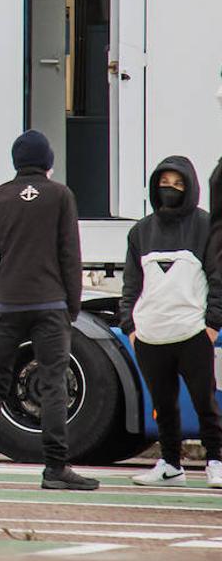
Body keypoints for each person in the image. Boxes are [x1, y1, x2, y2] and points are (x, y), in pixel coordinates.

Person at [0, 130, 98, 492]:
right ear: (48, 162)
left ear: (16, 162)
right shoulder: (60, 195)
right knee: (54, 383)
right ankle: (55, 468)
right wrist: (72, 304)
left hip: (7, 303)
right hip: (50, 302)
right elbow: (70, 254)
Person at [120, 157, 222, 488]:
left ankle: (215, 461)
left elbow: (218, 278)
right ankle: (170, 464)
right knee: (163, 405)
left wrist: (212, 324)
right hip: (150, 334)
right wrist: (130, 327)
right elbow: (131, 284)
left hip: (193, 331)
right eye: (164, 183)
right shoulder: (140, 231)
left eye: (178, 184)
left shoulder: (206, 226)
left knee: (204, 402)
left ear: (190, 187)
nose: (170, 190)